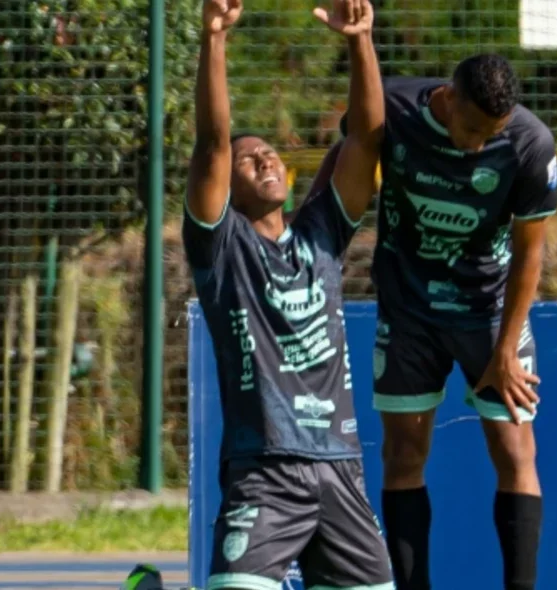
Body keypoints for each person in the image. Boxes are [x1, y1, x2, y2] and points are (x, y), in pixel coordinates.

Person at [320, 55, 557, 590]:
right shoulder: (396, 106)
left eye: (490, 134)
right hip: (409, 309)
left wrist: (504, 350)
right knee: (404, 454)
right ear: (449, 100)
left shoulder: (530, 143)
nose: (477, 145)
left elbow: (530, 256)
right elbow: (353, 146)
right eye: (472, 129)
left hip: (491, 312)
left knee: (516, 449)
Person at [182, 0, 393, 588]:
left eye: (268, 152)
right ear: (231, 186)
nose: (264, 157)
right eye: (250, 160)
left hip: (340, 469)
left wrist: (360, 41)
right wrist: (215, 38)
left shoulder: (321, 235)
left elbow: (368, 142)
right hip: (266, 471)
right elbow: (213, 144)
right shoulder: (221, 250)